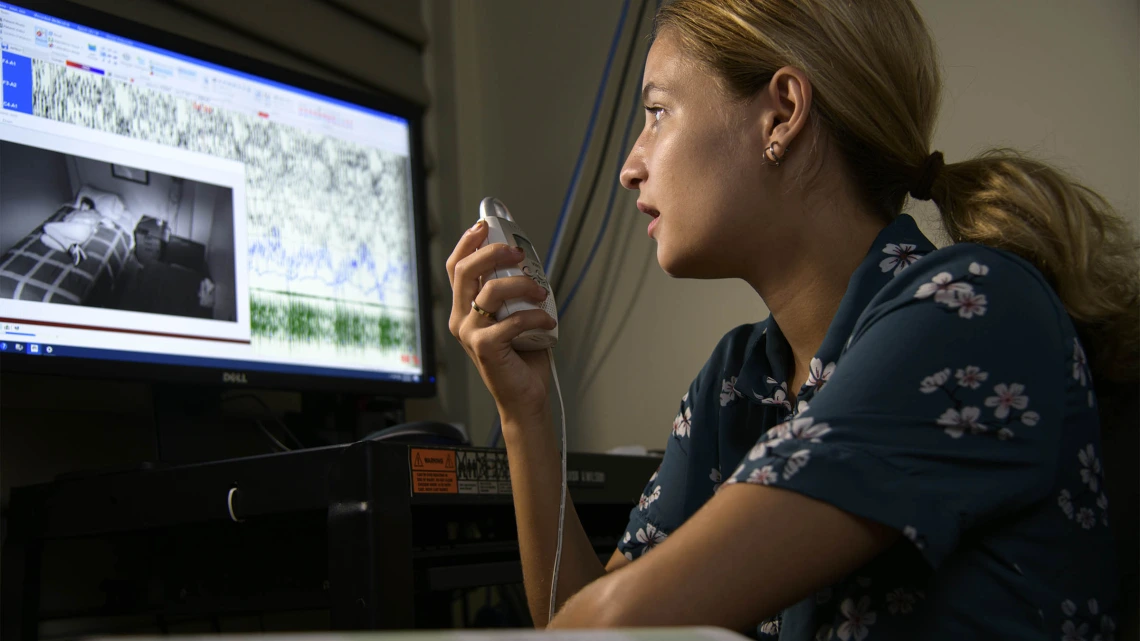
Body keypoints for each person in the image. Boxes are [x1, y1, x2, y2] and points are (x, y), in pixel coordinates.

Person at [445, 0, 1139, 638]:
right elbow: (586, 617)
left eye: (656, 112)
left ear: (781, 113)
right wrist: (527, 407)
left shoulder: (972, 309)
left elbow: (607, 627)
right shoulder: (738, 380)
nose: (631, 165)